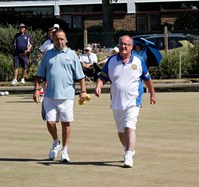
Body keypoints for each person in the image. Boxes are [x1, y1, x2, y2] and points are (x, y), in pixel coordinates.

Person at [95, 35, 156, 168]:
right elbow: (102, 77)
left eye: (126, 44)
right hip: (117, 101)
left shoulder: (139, 61)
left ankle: (128, 155)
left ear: (131, 47)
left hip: (133, 100)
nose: (123, 46)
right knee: (121, 132)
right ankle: (129, 148)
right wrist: (99, 86)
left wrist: (152, 93)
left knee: (130, 126)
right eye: (121, 44)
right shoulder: (111, 60)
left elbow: (147, 79)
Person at [33, 29, 87, 162]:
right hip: (50, 94)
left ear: (66, 39)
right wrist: (36, 89)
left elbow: (80, 76)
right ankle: (56, 142)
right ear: (53, 40)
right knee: (50, 122)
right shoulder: (47, 55)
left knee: (65, 123)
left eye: (62, 39)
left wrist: (83, 91)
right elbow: (39, 74)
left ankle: (65, 150)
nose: (60, 41)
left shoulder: (72, 55)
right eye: (57, 39)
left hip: (67, 95)